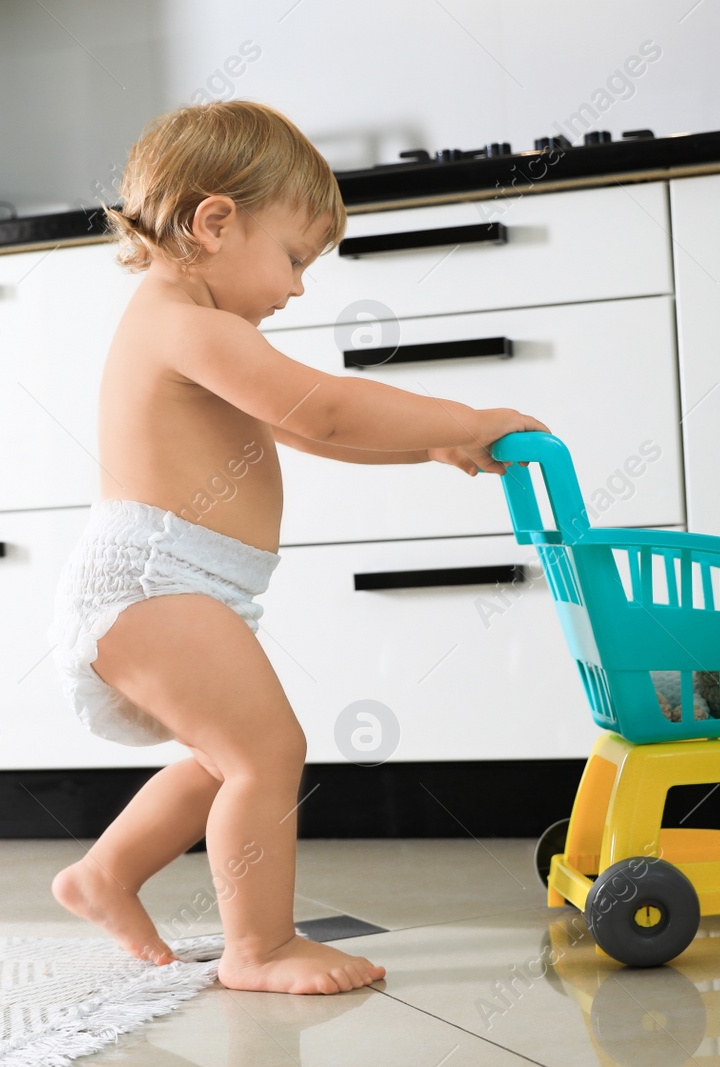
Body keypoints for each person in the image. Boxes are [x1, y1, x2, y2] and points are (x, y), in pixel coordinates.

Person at [46, 99, 550, 995]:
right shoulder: (185, 322)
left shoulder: (199, 326)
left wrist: (424, 442)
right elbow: (321, 405)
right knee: (265, 752)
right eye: (294, 258)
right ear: (215, 221)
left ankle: (106, 874)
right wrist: (466, 418)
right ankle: (259, 946)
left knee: (222, 754)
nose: (298, 288)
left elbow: (306, 429)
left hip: (173, 580)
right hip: (149, 580)